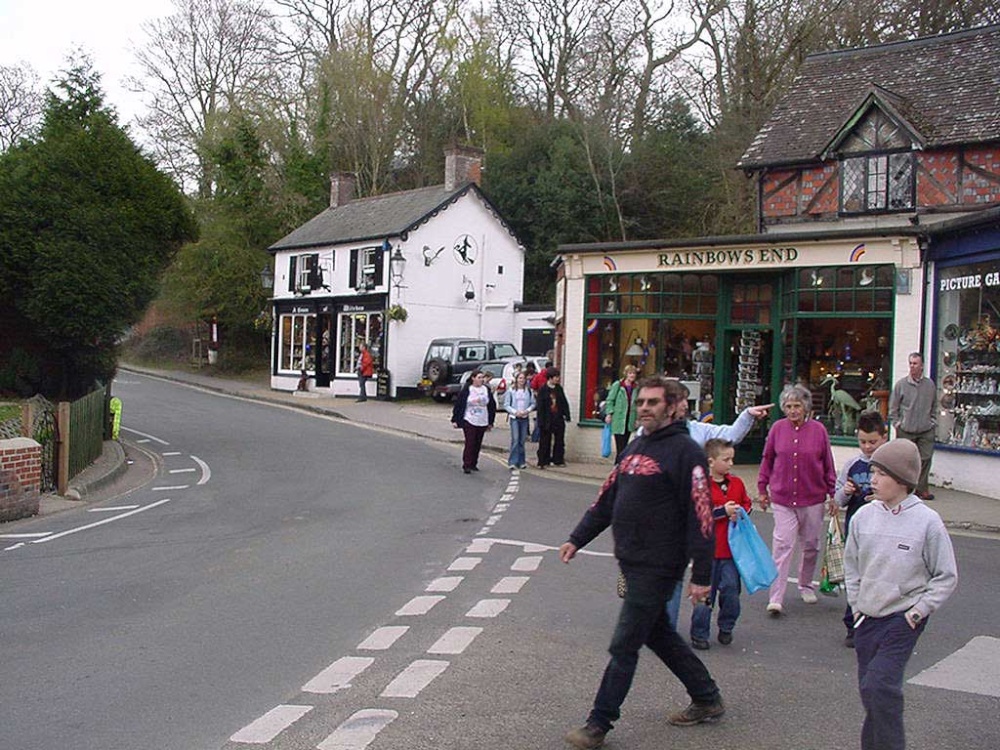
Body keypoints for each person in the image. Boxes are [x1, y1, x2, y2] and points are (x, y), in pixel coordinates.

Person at [560, 376, 724, 749]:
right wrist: (577, 538)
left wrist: (701, 575)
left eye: (653, 402)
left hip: (661, 564)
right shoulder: (634, 447)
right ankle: (707, 696)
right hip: (632, 561)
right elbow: (607, 499)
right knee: (657, 633)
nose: (645, 408)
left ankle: (598, 723)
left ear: (671, 406)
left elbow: (700, 516)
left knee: (624, 644)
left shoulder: (687, 453)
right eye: (642, 402)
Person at [844, 439, 957, 750]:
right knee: (871, 694)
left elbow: (946, 576)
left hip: (902, 619)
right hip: (867, 617)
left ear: (903, 479)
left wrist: (916, 612)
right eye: (873, 472)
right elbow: (851, 565)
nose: (874, 479)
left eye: (881, 473)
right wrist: (856, 606)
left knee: (880, 687)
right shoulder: (864, 516)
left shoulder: (927, 522)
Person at [758, 383, 836, 616]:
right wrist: (762, 488)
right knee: (782, 545)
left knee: (811, 545)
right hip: (782, 498)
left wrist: (833, 493)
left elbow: (828, 463)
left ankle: (804, 583)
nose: (793, 411)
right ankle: (776, 596)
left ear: (806, 407)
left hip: (812, 497)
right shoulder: (777, 429)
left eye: (797, 406)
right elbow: (767, 458)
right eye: (789, 406)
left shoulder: (819, 430)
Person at [688, 438, 753, 650]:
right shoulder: (701, 486)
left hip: (731, 552)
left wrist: (740, 513)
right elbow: (698, 513)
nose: (731, 464)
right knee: (705, 595)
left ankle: (727, 626)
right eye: (726, 459)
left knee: (731, 591)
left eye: (732, 459)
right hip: (707, 553)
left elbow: (746, 504)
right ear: (711, 462)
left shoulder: (737, 484)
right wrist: (722, 512)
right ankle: (699, 632)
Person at [834, 410, 888, 647]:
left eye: (873, 442)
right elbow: (837, 501)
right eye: (863, 442)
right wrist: (844, 492)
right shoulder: (852, 465)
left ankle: (879, 622)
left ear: (884, 438)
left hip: (884, 532)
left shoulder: (890, 465)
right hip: (857, 530)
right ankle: (853, 623)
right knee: (856, 576)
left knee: (879, 577)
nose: (867, 447)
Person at [888, 352, 938, 501]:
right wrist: (897, 423)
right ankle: (905, 489)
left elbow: (934, 405)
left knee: (925, 458)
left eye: (915, 363)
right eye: (910, 363)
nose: (912, 366)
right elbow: (893, 408)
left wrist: (932, 421)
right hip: (906, 429)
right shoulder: (901, 385)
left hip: (925, 429)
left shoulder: (929, 385)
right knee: (906, 460)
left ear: (922, 366)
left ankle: (922, 489)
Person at [451, 369, 495, 474]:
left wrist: (490, 422)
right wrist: (455, 419)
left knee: (477, 443)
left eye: (482, 378)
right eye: (479, 377)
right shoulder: (468, 389)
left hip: (482, 419)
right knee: (470, 442)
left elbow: (492, 406)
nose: (481, 380)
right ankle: (467, 464)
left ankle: (474, 463)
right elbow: (459, 405)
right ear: (473, 378)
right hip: (469, 419)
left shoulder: (486, 390)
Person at [536, 367, 570, 468]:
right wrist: (540, 421)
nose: (557, 379)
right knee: (545, 440)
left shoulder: (559, 388)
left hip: (558, 418)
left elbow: (564, 402)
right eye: (556, 377)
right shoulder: (543, 389)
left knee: (559, 440)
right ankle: (543, 461)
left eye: (558, 377)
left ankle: (558, 460)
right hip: (547, 419)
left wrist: (567, 415)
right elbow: (540, 406)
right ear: (550, 378)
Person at [604, 365, 639, 462]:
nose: (632, 375)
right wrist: (609, 413)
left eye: (634, 373)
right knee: (620, 445)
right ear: (626, 374)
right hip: (619, 419)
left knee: (625, 444)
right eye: (630, 373)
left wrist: (637, 418)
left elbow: (637, 403)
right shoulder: (618, 385)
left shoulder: (636, 387)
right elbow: (610, 400)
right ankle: (618, 465)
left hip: (629, 418)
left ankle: (619, 464)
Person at [503, 371, 535, 470]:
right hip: (514, 418)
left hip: (524, 418)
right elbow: (506, 405)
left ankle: (521, 461)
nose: (522, 380)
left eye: (523, 378)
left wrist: (527, 411)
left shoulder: (529, 391)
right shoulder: (511, 391)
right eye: (520, 378)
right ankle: (512, 462)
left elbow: (533, 403)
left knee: (522, 440)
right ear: (516, 379)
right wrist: (515, 412)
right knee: (515, 440)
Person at [530, 361, 552, 442]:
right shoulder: (545, 376)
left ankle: (536, 437)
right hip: (544, 401)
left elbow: (533, 386)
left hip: (540, 400)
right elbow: (533, 386)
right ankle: (536, 437)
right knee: (542, 419)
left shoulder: (539, 375)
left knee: (540, 418)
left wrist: (537, 395)